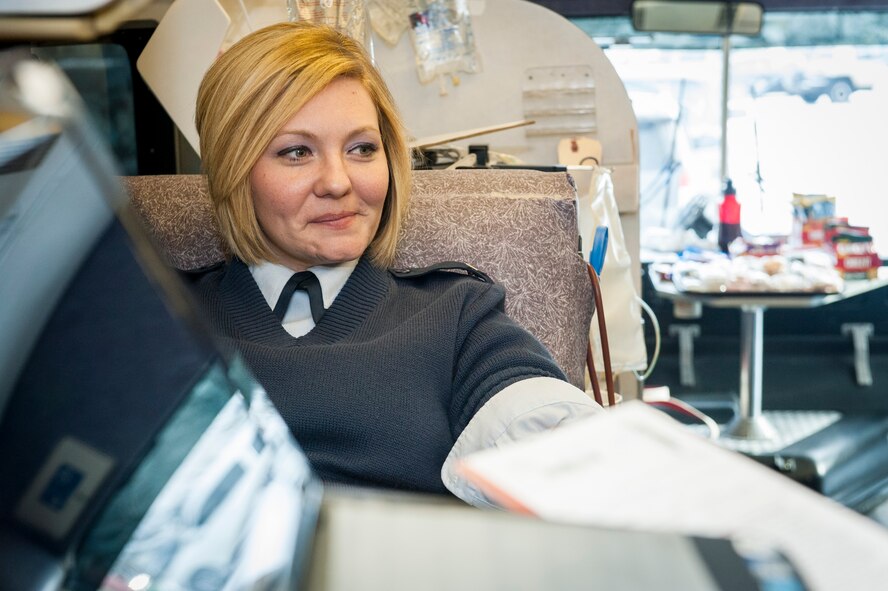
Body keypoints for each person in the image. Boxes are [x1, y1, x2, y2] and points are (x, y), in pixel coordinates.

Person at [189, 21, 600, 506]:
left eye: (362, 149)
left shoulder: (455, 314)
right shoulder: (156, 316)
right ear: (233, 168)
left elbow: (535, 414)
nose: (338, 182)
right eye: (297, 152)